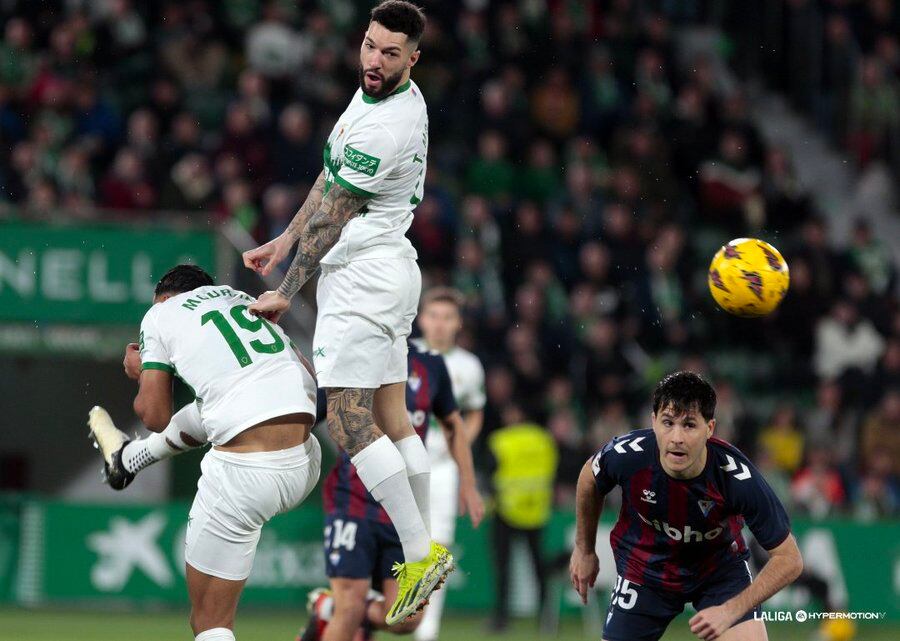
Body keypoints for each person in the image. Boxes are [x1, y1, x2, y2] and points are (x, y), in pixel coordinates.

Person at [241, 1, 444, 624]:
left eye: (390, 53)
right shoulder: (372, 97)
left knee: (348, 425)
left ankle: (419, 553)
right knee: (391, 418)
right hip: (383, 271)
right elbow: (328, 183)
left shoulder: (391, 125)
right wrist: (282, 240)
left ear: (414, 58)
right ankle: (426, 547)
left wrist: (288, 286)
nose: (374, 61)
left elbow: (337, 214)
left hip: (362, 279)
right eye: (369, 45)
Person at [87, 264, 321, 641]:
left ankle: (125, 459)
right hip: (306, 460)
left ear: (162, 297)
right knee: (212, 407)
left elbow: (155, 415)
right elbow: (309, 379)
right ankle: (128, 459)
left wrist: (146, 368)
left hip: (246, 476)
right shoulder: (242, 299)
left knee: (209, 622)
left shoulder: (160, 314)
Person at [570, 371, 803, 641]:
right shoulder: (628, 455)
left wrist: (730, 610)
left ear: (710, 428)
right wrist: (584, 549)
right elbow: (589, 477)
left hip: (719, 573)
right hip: (644, 570)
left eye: (690, 425)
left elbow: (790, 559)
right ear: (653, 421)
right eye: (668, 422)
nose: (677, 437)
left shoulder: (736, 478)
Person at [301, 340, 484, 641]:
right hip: (353, 501)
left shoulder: (431, 364)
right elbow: (311, 417)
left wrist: (467, 481)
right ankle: (341, 607)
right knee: (350, 609)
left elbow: (453, 423)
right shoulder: (350, 354)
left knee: (407, 619)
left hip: (404, 513)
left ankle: (327, 606)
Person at [409, 287, 486, 641]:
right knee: (396, 543)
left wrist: (459, 447)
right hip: (402, 461)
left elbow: (474, 414)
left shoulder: (469, 366)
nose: (439, 324)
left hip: (442, 468)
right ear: (421, 319)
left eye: (447, 317)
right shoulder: (403, 355)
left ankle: (427, 630)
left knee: (437, 548)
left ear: (458, 323)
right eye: (433, 316)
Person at [487, 403, 559, 632]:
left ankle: (501, 619)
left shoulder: (500, 440)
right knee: (538, 565)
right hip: (536, 509)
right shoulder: (544, 439)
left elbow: (490, 471)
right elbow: (553, 469)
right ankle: (546, 618)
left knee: (503, 568)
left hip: (506, 509)